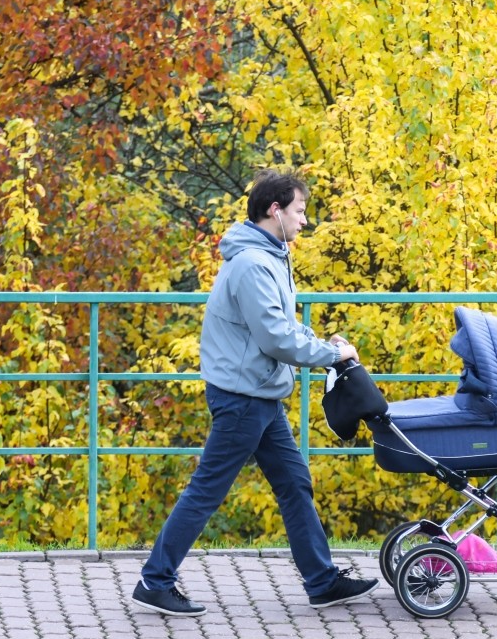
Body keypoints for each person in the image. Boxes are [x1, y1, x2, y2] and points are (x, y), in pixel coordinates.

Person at [131, 168, 378, 616]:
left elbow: (282, 324)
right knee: (207, 490)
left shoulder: (270, 256)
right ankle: (155, 580)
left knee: (294, 483)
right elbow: (275, 339)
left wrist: (326, 344)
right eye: (300, 211)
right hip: (244, 399)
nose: (305, 221)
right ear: (274, 209)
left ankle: (322, 582)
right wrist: (333, 356)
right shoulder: (252, 263)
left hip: (259, 394)